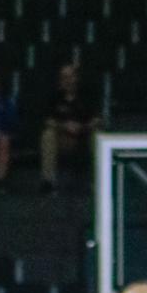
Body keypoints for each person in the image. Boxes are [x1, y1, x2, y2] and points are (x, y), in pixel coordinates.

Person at [39, 60, 102, 194]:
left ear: (76, 78)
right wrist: (64, 126)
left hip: (84, 135)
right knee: (47, 135)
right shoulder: (54, 96)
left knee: (97, 137)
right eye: (64, 77)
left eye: (70, 77)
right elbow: (48, 120)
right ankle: (48, 182)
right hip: (61, 137)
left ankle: (100, 182)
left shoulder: (87, 95)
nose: (67, 80)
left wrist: (82, 127)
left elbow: (96, 120)